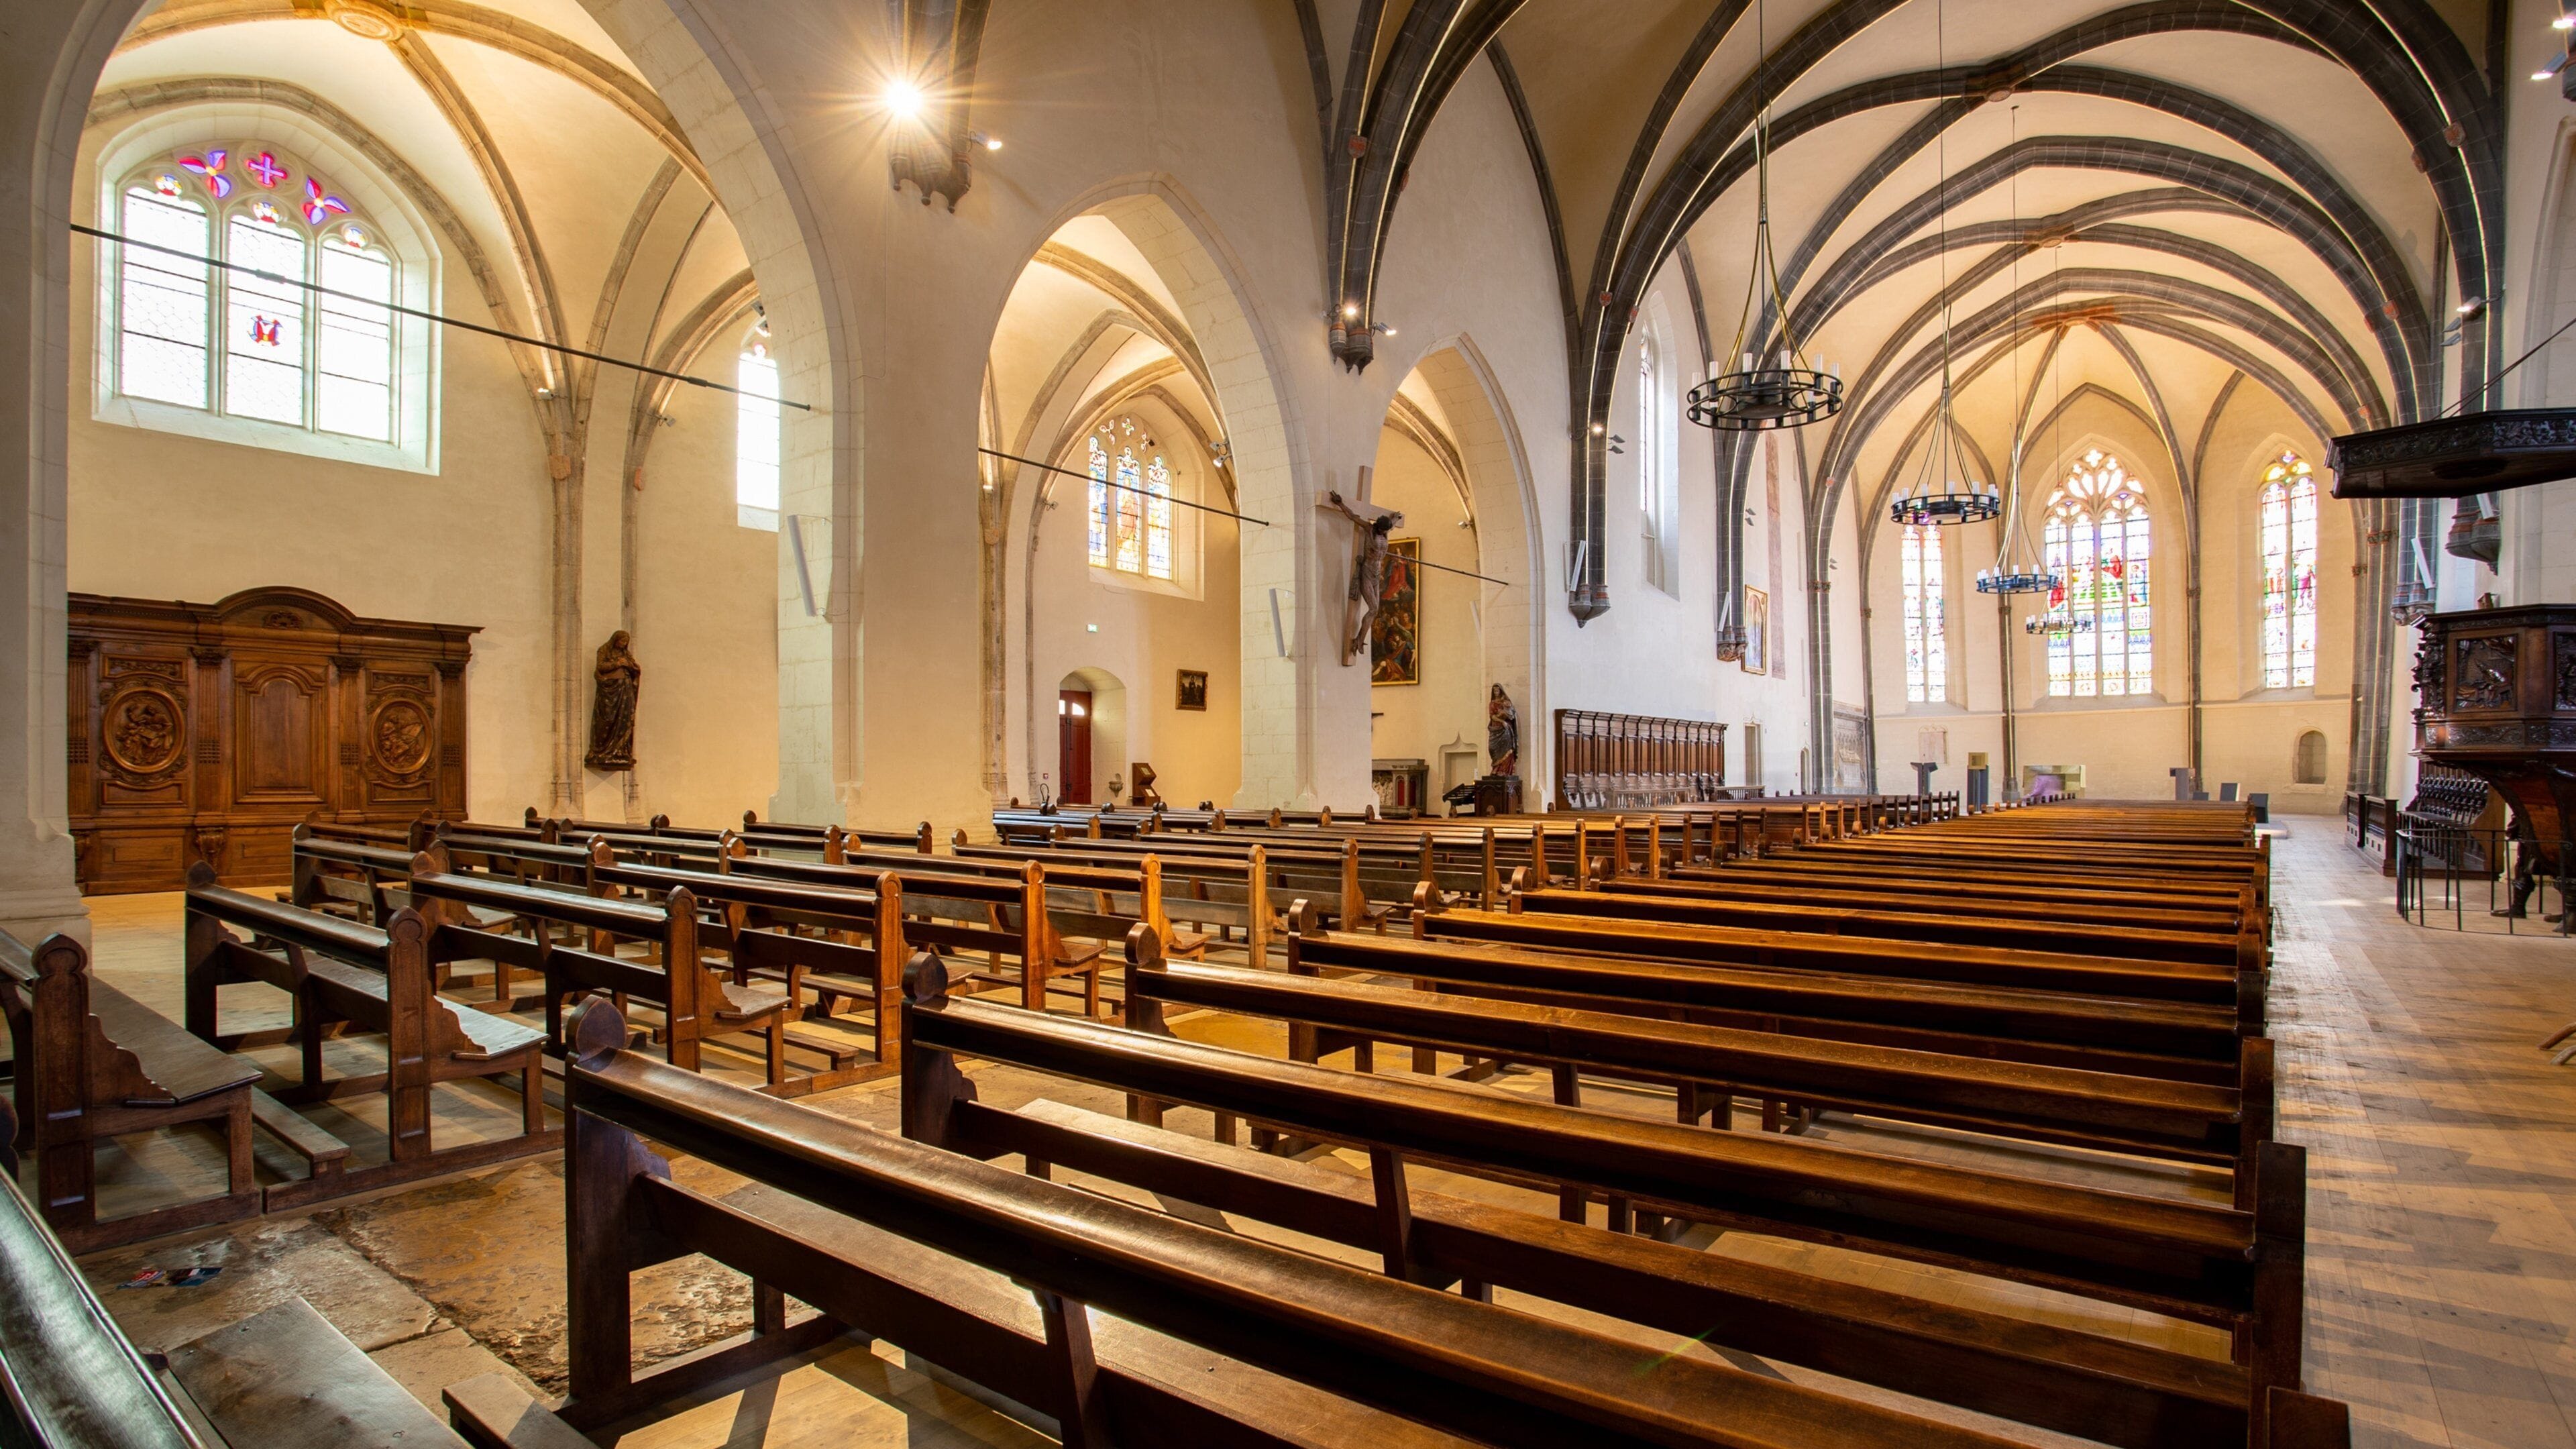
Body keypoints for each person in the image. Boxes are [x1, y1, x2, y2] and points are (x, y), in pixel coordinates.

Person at [1322, 489, 1402, 663]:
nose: (1383, 533)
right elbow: (1352, 517)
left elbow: (1393, 525)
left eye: (1385, 531)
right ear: (1377, 527)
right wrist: (1340, 503)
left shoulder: (1385, 532)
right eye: (1382, 530)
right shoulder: (1369, 530)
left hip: (1377, 575)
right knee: (1373, 609)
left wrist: (1396, 518)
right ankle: (1359, 639)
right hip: (1367, 571)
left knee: (1375, 610)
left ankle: (1360, 639)